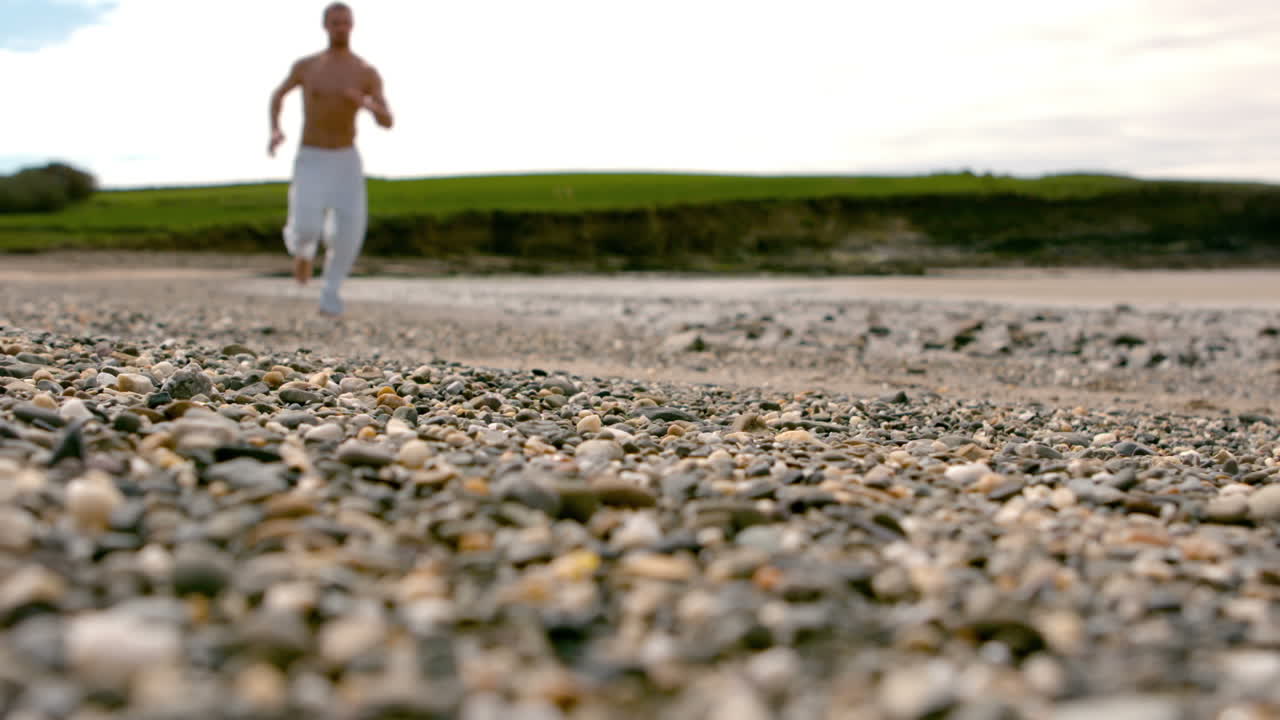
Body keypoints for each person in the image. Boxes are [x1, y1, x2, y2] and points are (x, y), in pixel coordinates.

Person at [268, 2, 393, 316]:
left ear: (352, 25)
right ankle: (304, 251)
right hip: (311, 157)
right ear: (326, 26)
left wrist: (364, 102)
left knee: (350, 230)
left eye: (346, 22)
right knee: (307, 226)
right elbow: (278, 95)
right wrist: (275, 130)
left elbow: (388, 119)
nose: (341, 28)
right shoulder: (307, 66)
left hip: (346, 160)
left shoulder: (365, 72)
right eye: (336, 23)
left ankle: (330, 293)